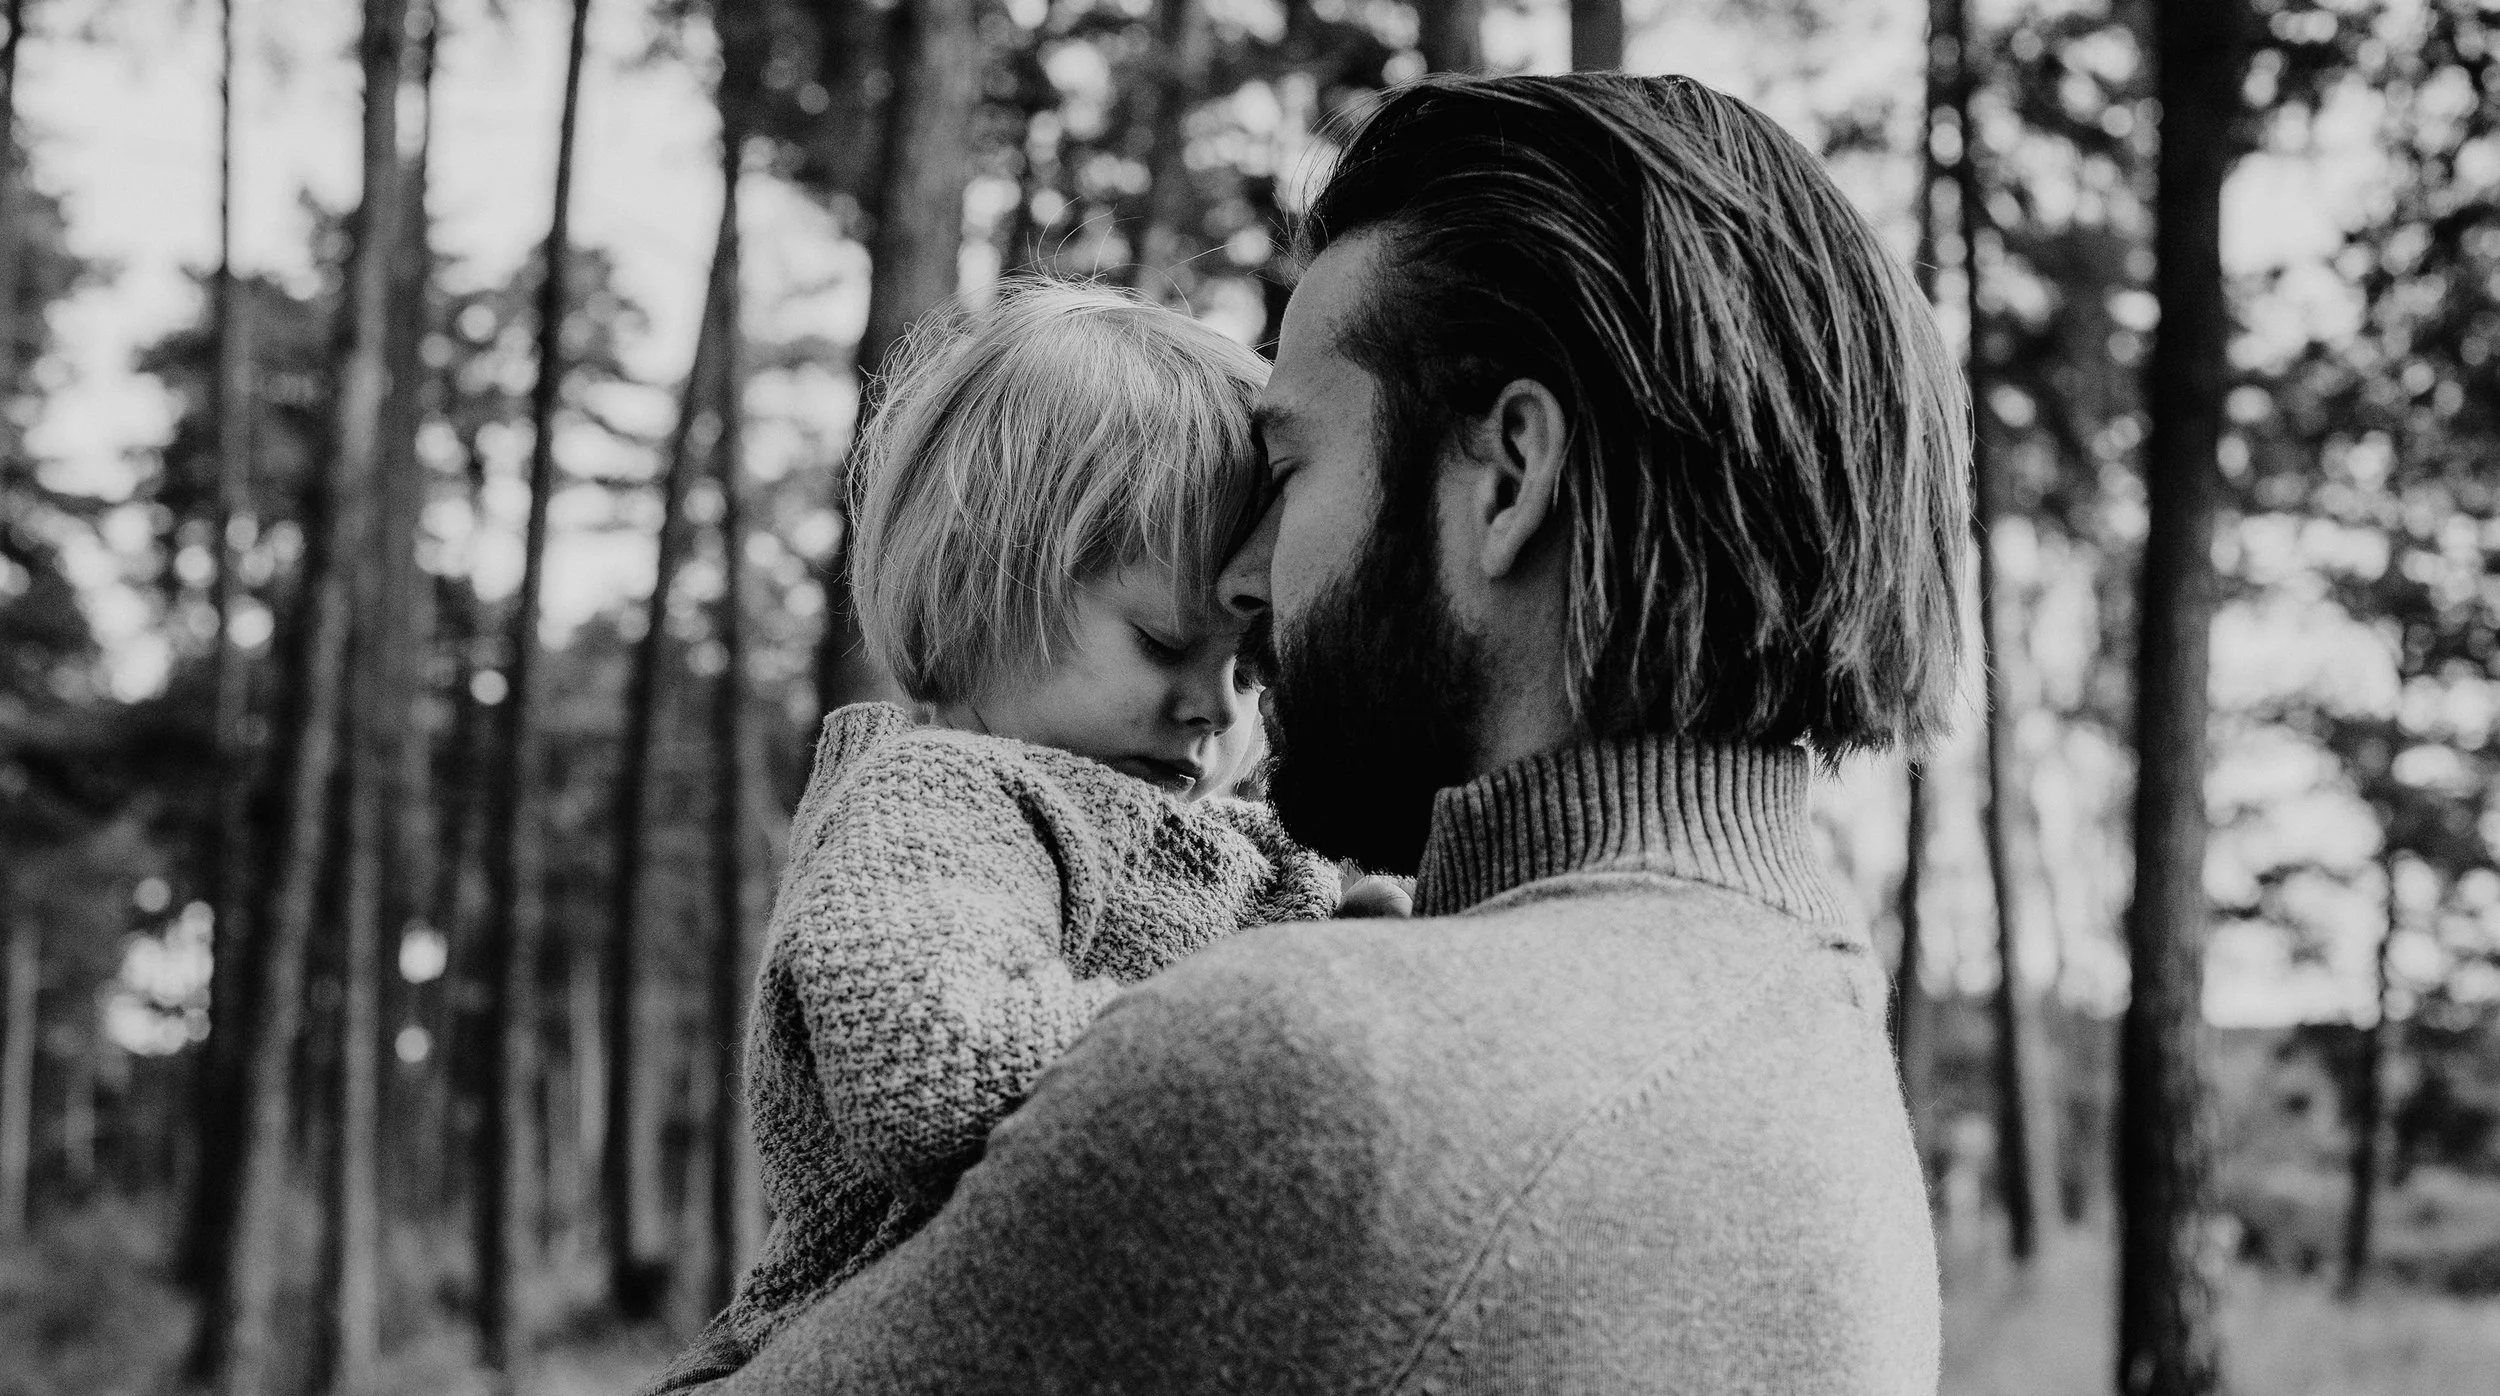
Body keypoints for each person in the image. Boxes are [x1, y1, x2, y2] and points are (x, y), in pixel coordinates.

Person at [716, 72, 1969, 1394]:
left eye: (1296, 464)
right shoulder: (1810, 1008)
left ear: (1508, 476)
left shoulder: (1305, 1078)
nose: (1247, 583)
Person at [643, 281, 1354, 1393]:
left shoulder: (1241, 839)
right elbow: (925, 1050)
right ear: (987, 581)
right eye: (1164, 640)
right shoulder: (945, 801)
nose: (1214, 706)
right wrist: (1279, 1028)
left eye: (1252, 669)